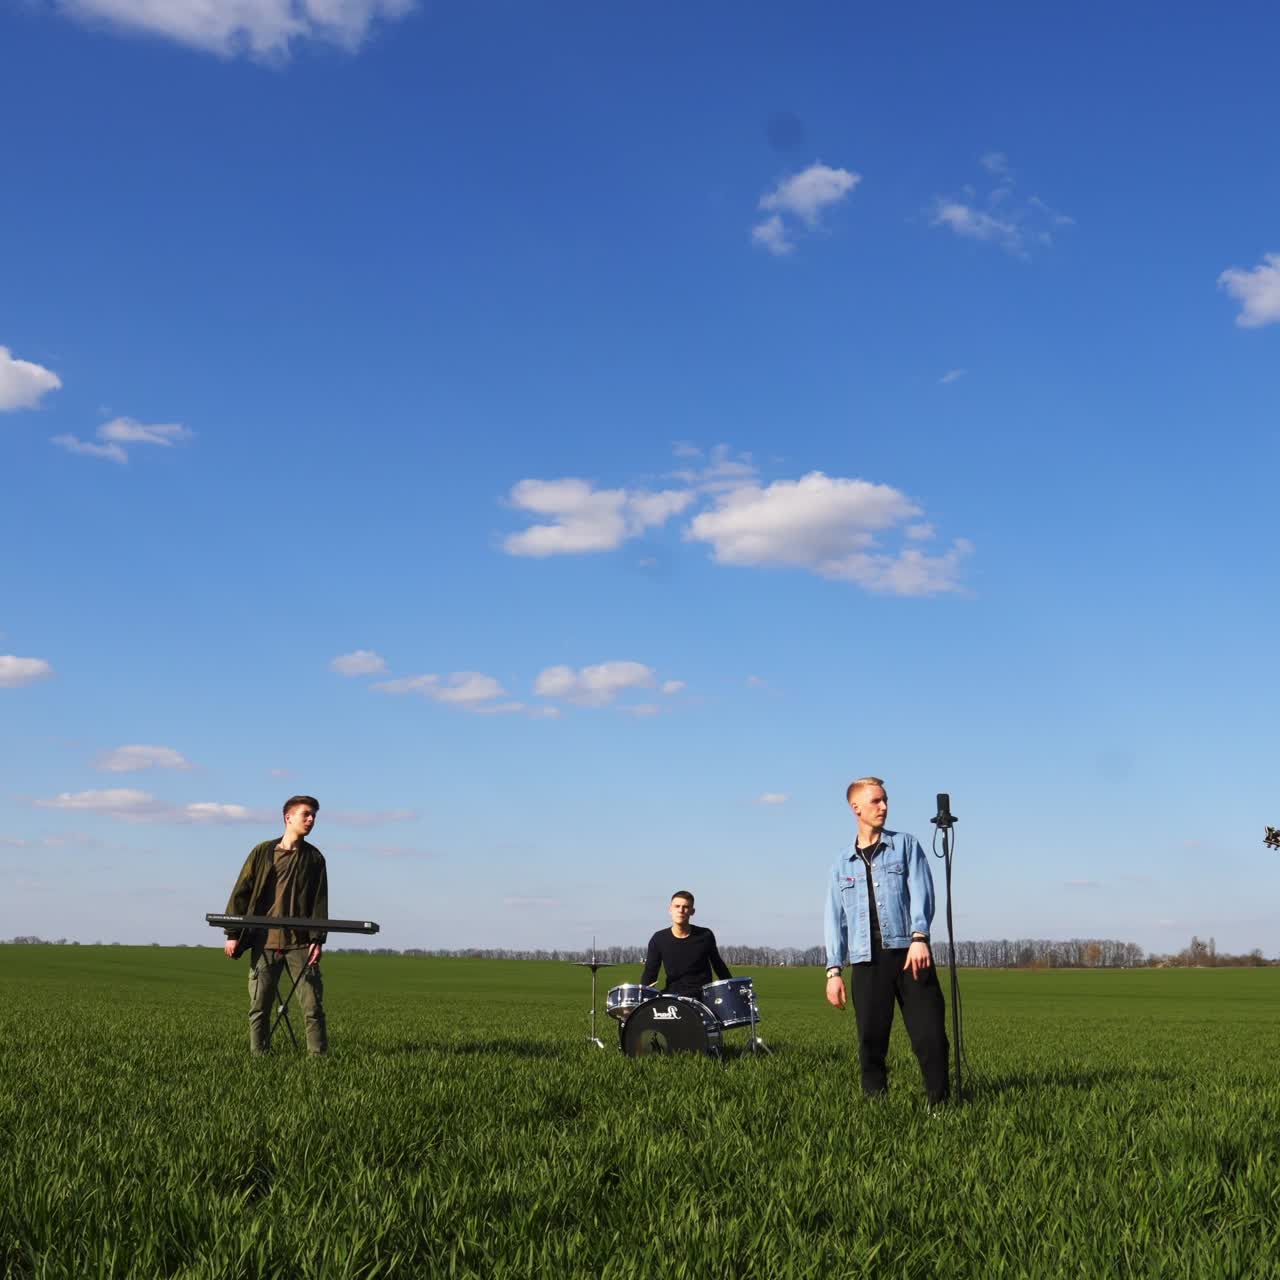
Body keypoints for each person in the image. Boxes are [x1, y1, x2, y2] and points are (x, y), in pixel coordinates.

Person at [823, 777, 949, 1104]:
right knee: (871, 1041)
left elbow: (923, 890)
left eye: (885, 800)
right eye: (876, 801)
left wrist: (920, 936)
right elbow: (834, 919)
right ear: (856, 808)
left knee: (930, 1035)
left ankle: (941, 1106)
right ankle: (877, 1109)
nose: (884, 806)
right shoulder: (841, 863)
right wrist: (833, 971)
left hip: (910, 954)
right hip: (866, 961)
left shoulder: (906, 845)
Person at [223, 794, 329, 1055]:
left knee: (312, 1006)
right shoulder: (262, 853)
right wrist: (232, 934)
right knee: (260, 1006)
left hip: (301, 944)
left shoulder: (315, 859)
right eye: (306, 814)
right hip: (264, 941)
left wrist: (317, 940)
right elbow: (242, 891)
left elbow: (319, 903)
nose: (311, 819)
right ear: (288, 817)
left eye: (314, 815)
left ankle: (319, 1061)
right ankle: (259, 1057)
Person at [640, 890, 732, 998]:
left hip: (702, 999)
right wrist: (641, 995)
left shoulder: (705, 935)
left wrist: (732, 989)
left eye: (685, 907)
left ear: (692, 911)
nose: (681, 910)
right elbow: (650, 972)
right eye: (677, 906)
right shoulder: (658, 939)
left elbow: (719, 966)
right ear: (670, 909)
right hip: (672, 999)